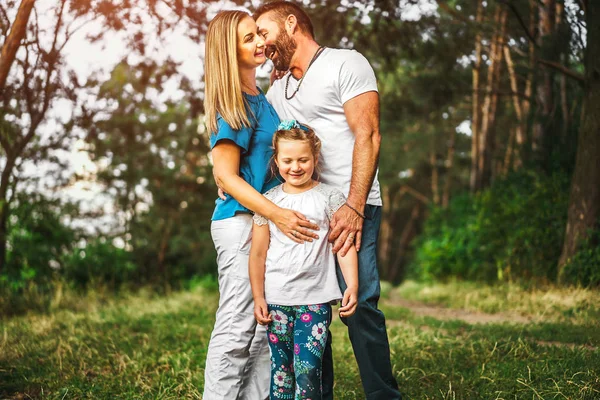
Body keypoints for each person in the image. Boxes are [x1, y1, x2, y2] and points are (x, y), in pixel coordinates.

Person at [253, 2, 403, 399]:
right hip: (305, 210)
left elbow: (368, 134)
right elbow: (272, 149)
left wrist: (353, 205)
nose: (262, 43)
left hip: (353, 204)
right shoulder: (278, 87)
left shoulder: (345, 63)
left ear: (290, 23)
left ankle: (384, 395)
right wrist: (230, 179)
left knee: (360, 307)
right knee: (310, 308)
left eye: (265, 33)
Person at [202, 10, 320, 400]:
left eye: (258, 35)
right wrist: (277, 213)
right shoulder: (235, 101)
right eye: (248, 39)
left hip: (259, 225)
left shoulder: (260, 97)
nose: (259, 43)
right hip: (239, 223)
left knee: (260, 331)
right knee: (237, 328)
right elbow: (226, 176)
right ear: (229, 51)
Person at [249, 120, 359, 400]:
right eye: (287, 160)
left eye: (303, 160)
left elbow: (343, 245)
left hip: (315, 299)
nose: (295, 167)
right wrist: (258, 297)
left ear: (315, 159)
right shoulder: (269, 203)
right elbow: (258, 254)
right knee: (281, 372)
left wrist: (352, 286)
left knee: (308, 371)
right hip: (277, 301)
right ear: (277, 160)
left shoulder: (329, 197)